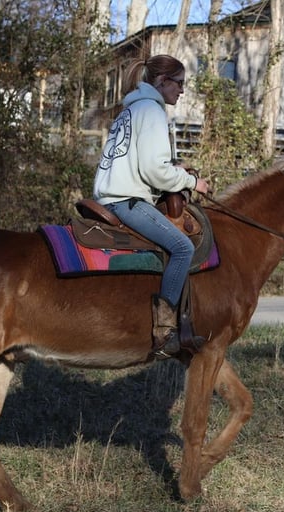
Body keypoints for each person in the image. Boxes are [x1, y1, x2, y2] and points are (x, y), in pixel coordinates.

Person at [93, 54, 209, 358]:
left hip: (109, 195)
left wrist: (175, 170)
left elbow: (142, 162)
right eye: (180, 84)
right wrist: (191, 182)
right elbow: (154, 171)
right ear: (162, 81)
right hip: (126, 200)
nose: (182, 91)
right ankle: (164, 333)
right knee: (182, 248)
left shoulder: (130, 110)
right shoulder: (153, 112)